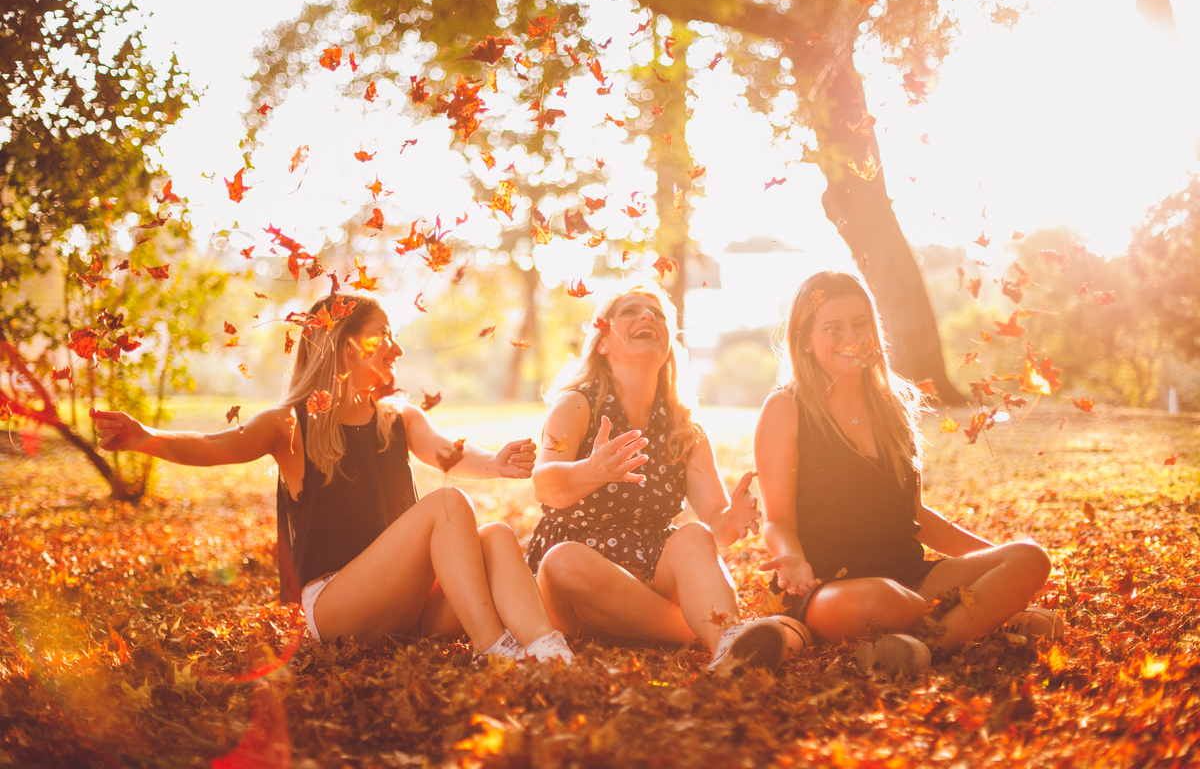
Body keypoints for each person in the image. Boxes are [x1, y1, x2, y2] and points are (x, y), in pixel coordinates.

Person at [91, 293, 572, 663]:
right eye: (384, 335)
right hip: (338, 607)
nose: (396, 348)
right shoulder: (289, 424)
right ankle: (493, 649)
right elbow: (218, 446)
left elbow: (448, 452)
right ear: (348, 346)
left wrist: (496, 462)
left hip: (404, 607)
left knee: (497, 536)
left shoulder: (397, 418)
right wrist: (145, 437)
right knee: (448, 505)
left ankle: (547, 650)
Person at [755, 271, 1062, 673]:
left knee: (1029, 557)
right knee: (887, 601)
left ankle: (930, 647)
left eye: (860, 324)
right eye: (832, 328)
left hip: (913, 577)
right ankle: (977, 623)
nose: (851, 337)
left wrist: (994, 562)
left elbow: (914, 514)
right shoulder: (785, 408)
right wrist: (792, 559)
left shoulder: (894, 405)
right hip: (831, 588)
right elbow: (777, 520)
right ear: (804, 340)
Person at [526, 284, 809, 671]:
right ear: (602, 342)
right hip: (579, 591)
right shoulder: (575, 405)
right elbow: (544, 485)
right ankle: (704, 631)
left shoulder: (684, 427)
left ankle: (726, 643)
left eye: (657, 314)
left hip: (652, 576)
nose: (647, 316)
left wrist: (733, 517)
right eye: (630, 311)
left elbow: (716, 530)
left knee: (693, 535)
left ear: (669, 344)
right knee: (562, 561)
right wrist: (592, 471)